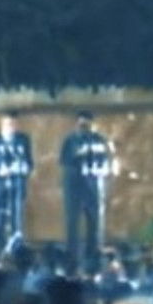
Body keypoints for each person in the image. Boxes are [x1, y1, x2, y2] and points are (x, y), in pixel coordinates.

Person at [59, 110, 116, 273]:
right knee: (72, 226)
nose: (84, 126)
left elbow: (106, 162)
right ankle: (72, 263)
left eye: (87, 123)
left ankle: (93, 262)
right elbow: (64, 162)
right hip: (74, 188)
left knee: (94, 225)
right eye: (81, 123)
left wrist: (101, 171)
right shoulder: (70, 140)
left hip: (93, 187)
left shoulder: (100, 140)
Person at [0, 111, 34, 256]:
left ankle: (16, 248)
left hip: (17, 184)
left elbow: (29, 162)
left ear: (17, 125)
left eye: (12, 124)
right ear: (2, 125)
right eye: (7, 124)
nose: (10, 127)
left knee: (17, 215)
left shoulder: (23, 140)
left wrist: (18, 169)